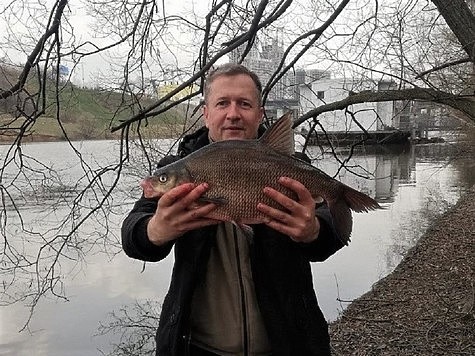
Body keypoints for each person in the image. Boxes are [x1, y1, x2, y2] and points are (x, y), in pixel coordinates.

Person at [121, 63, 345, 356]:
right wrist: (155, 230)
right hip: (197, 348)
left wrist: (313, 231)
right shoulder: (177, 170)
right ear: (206, 113)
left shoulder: (291, 166)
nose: (233, 114)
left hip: (287, 344)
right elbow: (132, 234)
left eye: (244, 104)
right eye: (222, 103)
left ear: (260, 114)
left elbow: (331, 235)